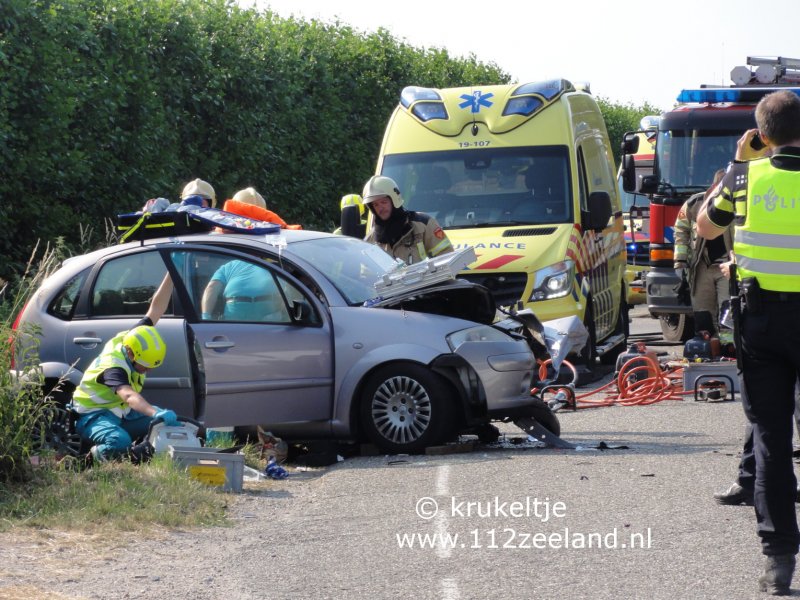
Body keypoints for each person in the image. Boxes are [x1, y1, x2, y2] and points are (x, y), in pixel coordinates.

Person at [697, 90, 800, 595]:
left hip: (762, 324)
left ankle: (779, 564)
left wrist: (740, 161)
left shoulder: (744, 177)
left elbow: (704, 226)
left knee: (772, 443)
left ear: (762, 135)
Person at [71, 275, 178, 463]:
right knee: (119, 442)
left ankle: (139, 454)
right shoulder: (113, 367)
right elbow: (128, 396)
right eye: (144, 365)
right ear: (131, 353)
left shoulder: (134, 337)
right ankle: (85, 460)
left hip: (119, 412)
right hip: (93, 415)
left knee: (163, 425)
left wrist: (172, 274)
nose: (147, 371)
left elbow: (156, 308)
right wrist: (154, 412)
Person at [674, 168, 732, 332]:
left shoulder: (739, 203)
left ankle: (727, 349)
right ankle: (708, 348)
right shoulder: (694, 204)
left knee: (728, 313)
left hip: (727, 268)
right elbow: (681, 230)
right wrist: (680, 263)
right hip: (701, 267)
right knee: (702, 314)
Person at [362, 175, 453, 264]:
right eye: (375, 204)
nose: (380, 208)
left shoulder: (423, 224)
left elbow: (446, 257)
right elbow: (367, 275)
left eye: (383, 202)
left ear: (394, 199)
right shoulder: (371, 239)